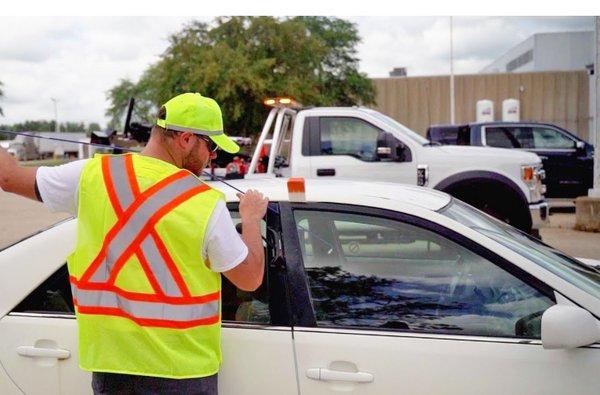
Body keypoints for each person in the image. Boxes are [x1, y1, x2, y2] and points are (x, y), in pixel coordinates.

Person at [0, 92, 268, 395]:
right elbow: (250, 277)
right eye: (212, 147)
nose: (213, 157)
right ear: (187, 139)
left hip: (112, 371)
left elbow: (8, 178)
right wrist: (251, 219)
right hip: (183, 372)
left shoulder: (92, 175)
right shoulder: (202, 202)